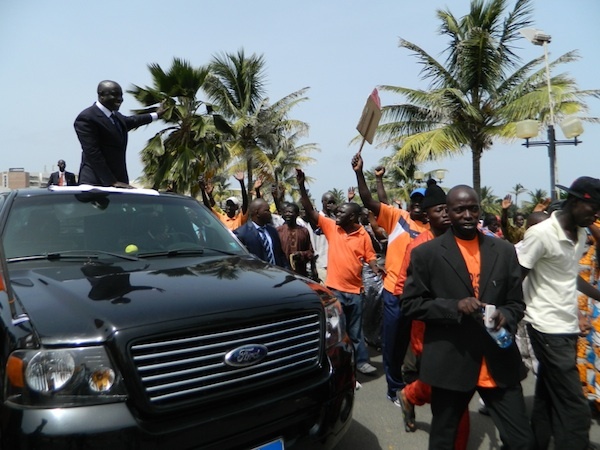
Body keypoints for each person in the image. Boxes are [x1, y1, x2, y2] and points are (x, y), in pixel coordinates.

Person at [402, 185, 533, 450]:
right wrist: (454, 307)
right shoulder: (426, 254)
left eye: (473, 208)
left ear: (480, 210)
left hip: (497, 362)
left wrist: (504, 315)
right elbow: (412, 305)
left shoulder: (504, 251)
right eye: (459, 209)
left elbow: (516, 304)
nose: (467, 215)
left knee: (521, 440)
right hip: (452, 360)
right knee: (445, 439)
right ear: (448, 212)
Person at [518, 176, 600, 449]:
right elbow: (517, 276)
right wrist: (500, 316)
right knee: (574, 405)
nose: (596, 216)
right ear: (576, 202)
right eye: (594, 209)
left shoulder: (578, 233)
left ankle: (536, 443)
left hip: (567, 326)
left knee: (547, 395)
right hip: (545, 326)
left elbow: (568, 275)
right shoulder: (541, 234)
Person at [351, 153, 429, 403]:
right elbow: (370, 200)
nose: (417, 205)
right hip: (394, 292)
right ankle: (393, 388)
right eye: (414, 200)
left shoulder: (436, 230)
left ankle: (415, 382)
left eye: (422, 202)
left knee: (417, 344)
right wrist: (359, 173)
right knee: (393, 342)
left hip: (421, 297)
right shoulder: (399, 219)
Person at [297, 168, 381, 375]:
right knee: (334, 331)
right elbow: (310, 211)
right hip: (335, 289)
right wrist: (301, 186)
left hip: (355, 292)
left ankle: (361, 362)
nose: (337, 214)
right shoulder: (332, 227)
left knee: (356, 331)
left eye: (342, 212)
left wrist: (375, 268)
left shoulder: (362, 235)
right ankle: (338, 363)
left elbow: (369, 256)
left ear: (352, 216)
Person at [74, 80, 165, 187]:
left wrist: (157, 115)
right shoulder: (87, 118)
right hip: (95, 183)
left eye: (121, 95)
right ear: (101, 95)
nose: (120, 99)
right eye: (115, 95)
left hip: (119, 181)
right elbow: (93, 154)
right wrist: (111, 182)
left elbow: (133, 121)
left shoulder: (116, 117)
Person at [234, 198, 288, 268]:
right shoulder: (241, 234)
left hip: (277, 274)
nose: (270, 213)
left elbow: (280, 255)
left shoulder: (272, 231)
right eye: (267, 210)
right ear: (257, 213)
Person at [277, 202, 316, 279]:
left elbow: (310, 252)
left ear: (297, 214)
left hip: (300, 273)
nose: (287, 214)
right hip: (282, 272)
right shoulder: (278, 231)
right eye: (286, 212)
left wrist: (300, 254)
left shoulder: (304, 231)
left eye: (290, 212)